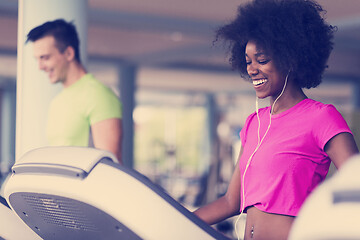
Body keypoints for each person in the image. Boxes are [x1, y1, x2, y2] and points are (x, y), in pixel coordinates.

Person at [193, 0, 359, 239]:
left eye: (261, 60)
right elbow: (231, 201)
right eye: (248, 61)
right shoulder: (253, 123)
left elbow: (354, 187)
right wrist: (174, 221)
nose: (251, 69)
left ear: (289, 59)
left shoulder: (321, 117)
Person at [26, 19, 123, 164]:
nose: (40, 67)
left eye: (45, 58)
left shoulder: (98, 95)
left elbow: (110, 168)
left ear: (69, 53)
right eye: (37, 60)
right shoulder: (57, 101)